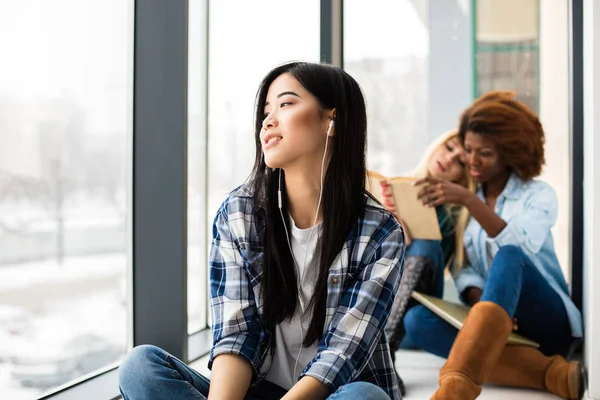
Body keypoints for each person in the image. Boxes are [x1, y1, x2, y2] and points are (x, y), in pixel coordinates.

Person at [118, 62, 405, 400]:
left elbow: (341, 354)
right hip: (255, 392)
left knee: (364, 398)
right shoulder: (239, 213)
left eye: (286, 104)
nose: (268, 121)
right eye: (266, 111)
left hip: (331, 394)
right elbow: (237, 335)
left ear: (332, 120)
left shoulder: (381, 232)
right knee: (140, 368)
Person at [402, 91, 584, 400]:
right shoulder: (466, 208)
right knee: (415, 321)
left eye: (483, 153)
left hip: (547, 322)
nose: (472, 161)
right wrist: (479, 298)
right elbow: (466, 268)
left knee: (510, 254)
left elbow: (518, 249)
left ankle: (457, 388)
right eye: (468, 150)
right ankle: (551, 375)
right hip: (499, 327)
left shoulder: (538, 195)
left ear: (510, 153)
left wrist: (471, 201)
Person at [383, 130, 474, 395]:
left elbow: (466, 272)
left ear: (462, 177)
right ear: (436, 145)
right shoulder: (393, 190)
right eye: (449, 147)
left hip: (411, 319)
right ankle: (379, 347)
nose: (449, 158)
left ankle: (384, 351)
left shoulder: (458, 216)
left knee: (425, 242)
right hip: (378, 308)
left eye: (460, 162)